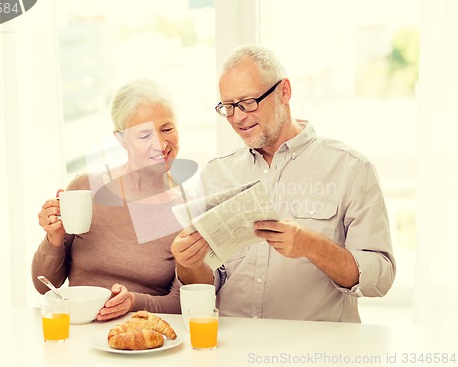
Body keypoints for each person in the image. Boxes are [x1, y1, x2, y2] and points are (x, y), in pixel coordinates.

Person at [171, 45, 396, 322]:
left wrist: (313, 246)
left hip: (316, 352)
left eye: (248, 102)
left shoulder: (350, 169)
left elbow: (381, 278)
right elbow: (209, 283)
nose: (238, 117)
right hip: (234, 350)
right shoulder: (216, 173)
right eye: (228, 107)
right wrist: (187, 263)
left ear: (284, 92)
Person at [32, 79, 186, 321]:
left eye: (167, 129)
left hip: (143, 339)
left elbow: (182, 302)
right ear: (121, 139)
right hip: (79, 333)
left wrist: (134, 302)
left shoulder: (186, 208)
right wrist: (54, 239)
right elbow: (45, 285)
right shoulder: (84, 190)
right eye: (144, 135)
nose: (161, 143)